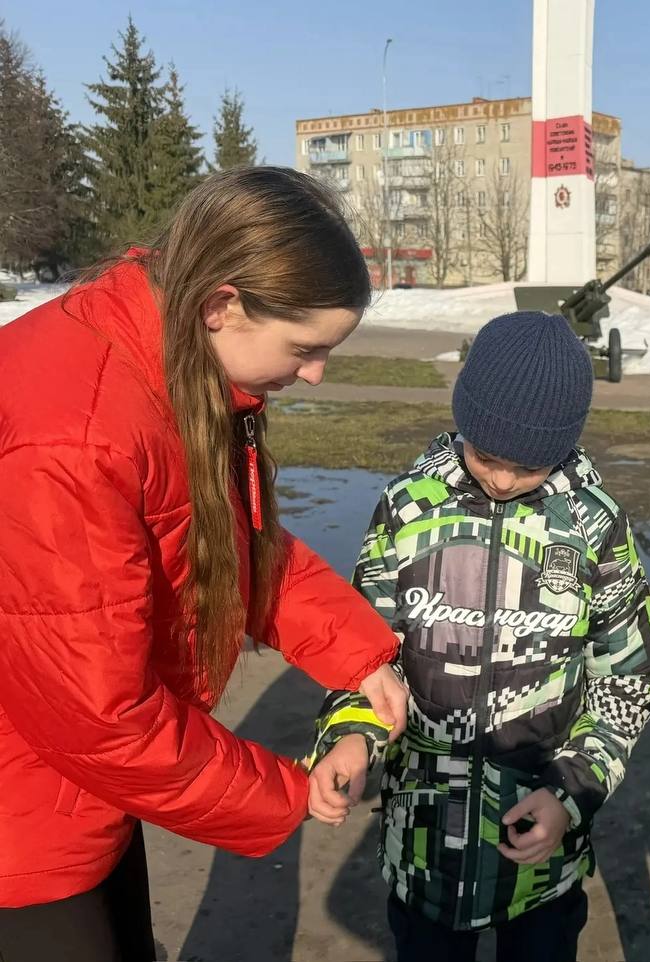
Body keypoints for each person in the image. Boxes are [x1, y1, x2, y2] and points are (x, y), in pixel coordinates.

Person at [0, 167, 408, 962]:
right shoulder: (76, 438)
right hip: (22, 819)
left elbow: (228, 540)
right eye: (306, 348)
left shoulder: (168, 363)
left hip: (75, 793)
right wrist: (284, 792)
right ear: (223, 304)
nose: (317, 373)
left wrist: (358, 653)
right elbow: (101, 717)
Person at [306, 311, 650, 962]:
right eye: (488, 456)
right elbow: (360, 650)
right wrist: (351, 738)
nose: (502, 479)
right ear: (464, 422)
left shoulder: (594, 529)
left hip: (541, 851)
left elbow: (628, 676)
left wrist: (572, 791)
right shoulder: (405, 508)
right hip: (422, 854)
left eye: (527, 466)